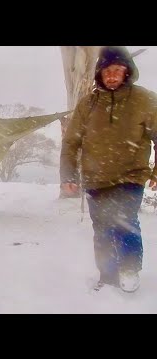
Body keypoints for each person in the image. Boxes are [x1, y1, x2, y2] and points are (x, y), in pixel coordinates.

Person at [60, 46, 157, 293]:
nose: (112, 76)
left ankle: (129, 269)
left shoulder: (144, 100)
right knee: (101, 228)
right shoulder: (88, 104)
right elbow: (71, 142)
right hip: (96, 178)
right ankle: (108, 274)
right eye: (107, 71)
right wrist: (68, 175)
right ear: (99, 74)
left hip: (130, 176)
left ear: (127, 72)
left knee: (124, 221)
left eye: (117, 70)